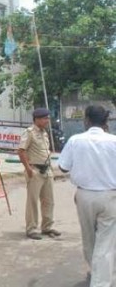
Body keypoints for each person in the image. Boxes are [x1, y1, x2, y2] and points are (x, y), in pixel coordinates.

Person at [58, 105, 116, 287]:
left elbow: (63, 167)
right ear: (106, 122)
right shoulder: (114, 141)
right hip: (109, 196)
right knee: (106, 242)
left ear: (86, 120)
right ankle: (101, 280)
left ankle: (97, 275)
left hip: (84, 195)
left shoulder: (76, 140)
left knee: (89, 238)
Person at [18, 108, 61, 240]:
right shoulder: (29, 132)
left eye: (48, 118)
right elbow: (21, 151)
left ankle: (47, 227)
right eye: (45, 118)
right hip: (35, 170)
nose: (47, 120)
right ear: (37, 119)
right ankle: (31, 229)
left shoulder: (44, 133)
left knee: (49, 200)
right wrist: (28, 168)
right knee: (33, 201)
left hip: (46, 170)